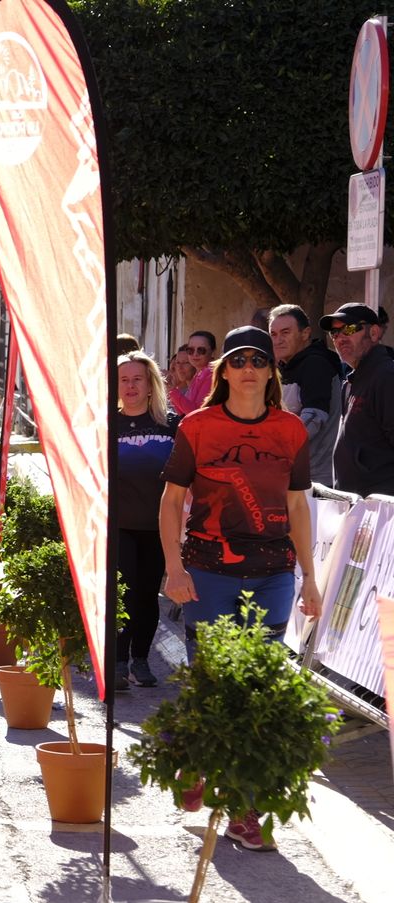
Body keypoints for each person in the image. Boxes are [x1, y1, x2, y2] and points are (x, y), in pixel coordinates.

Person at [159, 326, 319, 853]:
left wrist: (311, 579)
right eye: (238, 359)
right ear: (222, 371)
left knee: (260, 686)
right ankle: (198, 758)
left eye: (259, 359)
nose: (249, 368)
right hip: (208, 571)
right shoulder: (198, 427)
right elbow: (171, 500)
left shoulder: (291, 431)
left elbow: (298, 506)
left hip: (274, 572)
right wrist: (174, 568)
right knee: (210, 679)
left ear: (272, 371)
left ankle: (245, 810)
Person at [113, 351, 179, 689]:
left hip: (158, 528)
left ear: (150, 384)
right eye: (124, 379)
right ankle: (119, 662)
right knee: (124, 594)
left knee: (147, 595)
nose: (130, 385)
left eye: (137, 379)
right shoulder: (108, 424)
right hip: (120, 526)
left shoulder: (171, 425)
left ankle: (141, 660)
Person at [322, 302, 394, 497]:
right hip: (357, 508)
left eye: (350, 328)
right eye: (334, 333)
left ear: (374, 333)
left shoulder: (386, 376)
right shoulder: (352, 381)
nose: (340, 338)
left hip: (382, 511)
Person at [268, 304, 341, 486]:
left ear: (305, 333)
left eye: (285, 332)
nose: (278, 340)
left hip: (316, 479)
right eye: (273, 334)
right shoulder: (283, 367)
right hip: (293, 474)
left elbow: (315, 418)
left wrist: (271, 450)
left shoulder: (315, 364)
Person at [167, 330, 216, 415]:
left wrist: (172, 390)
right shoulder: (199, 375)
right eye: (190, 350)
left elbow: (196, 413)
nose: (195, 354)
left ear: (212, 352)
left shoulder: (211, 374)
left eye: (201, 350)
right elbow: (183, 413)